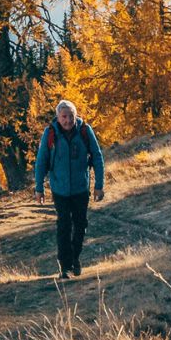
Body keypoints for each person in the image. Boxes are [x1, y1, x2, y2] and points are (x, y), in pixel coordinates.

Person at [33, 99, 105, 279]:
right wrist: (39, 188)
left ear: (75, 115)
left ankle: (75, 257)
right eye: (64, 117)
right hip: (60, 189)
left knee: (80, 225)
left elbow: (97, 157)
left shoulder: (84, 131)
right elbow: (41, 161)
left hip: (81, 188)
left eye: (70, 116)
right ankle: (65, 266)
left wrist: (99, 186)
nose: (67, 120)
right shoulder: (50, 133)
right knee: (64, 225)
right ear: (58, 117)